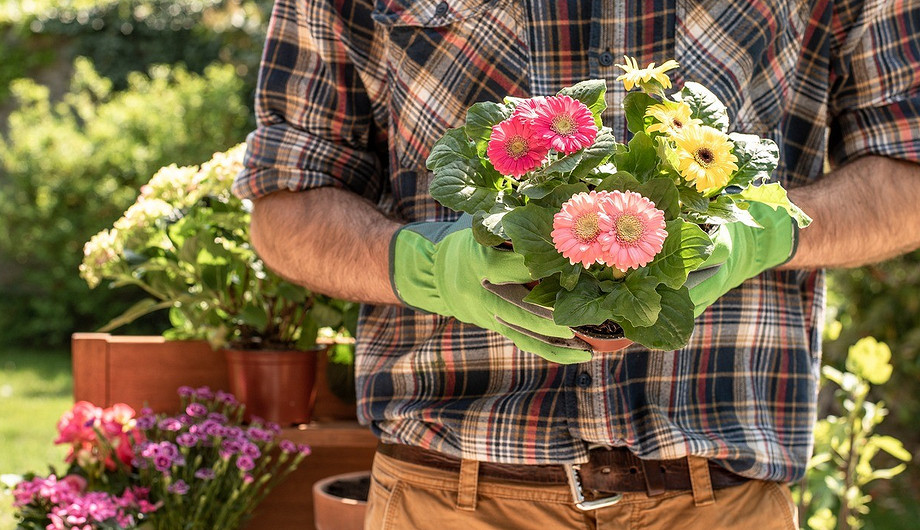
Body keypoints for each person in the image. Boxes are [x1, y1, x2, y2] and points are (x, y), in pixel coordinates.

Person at [233, 1, 920, 528]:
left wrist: (768, 229)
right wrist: (424, 264)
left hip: (719, 504)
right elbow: (287, 200)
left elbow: (906, 171)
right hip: (450, 497)